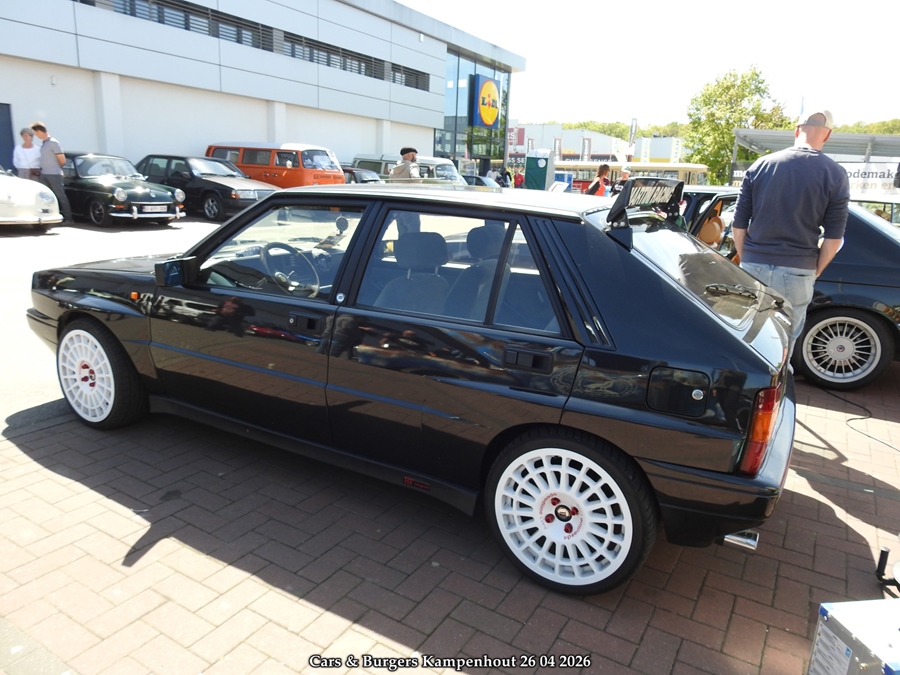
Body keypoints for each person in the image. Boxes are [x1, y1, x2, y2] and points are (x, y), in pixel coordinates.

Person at [732, 109, 849, 355]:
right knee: (783, 345)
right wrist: (815, 270)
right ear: (827, 135)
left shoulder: (761, 165)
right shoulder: (835, 173)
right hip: (798, 269)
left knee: (747, 339)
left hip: (754, 265)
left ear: (796, 130)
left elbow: (738, 225)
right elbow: (834, 237)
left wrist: (747, 258)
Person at [30, 122, 73, 223]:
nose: (36, 136)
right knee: (46, 197)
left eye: (36, 133)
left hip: (54, 174)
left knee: (60, 196)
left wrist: (56, 169)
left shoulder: (54, 142)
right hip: (44, 174)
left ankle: (68, 218)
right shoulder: (44, 143)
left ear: (40, 131)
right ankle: (49, 217)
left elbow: (62, 160)